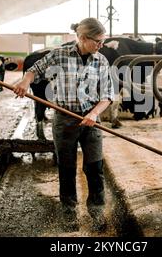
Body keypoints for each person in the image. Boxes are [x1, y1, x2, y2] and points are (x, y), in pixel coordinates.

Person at [13, 18, 114, 231]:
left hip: (91, 120)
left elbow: (107, 95)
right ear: (83, 38)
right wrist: (25, 81)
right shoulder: (59, 55)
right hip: (63, 119)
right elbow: (35, 69)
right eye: (98, 41)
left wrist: (95, 114)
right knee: (66, 168)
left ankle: (96, 211)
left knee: (95, 168)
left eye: (102, 41)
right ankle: (69, 213)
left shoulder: (101, 61)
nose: (101, 45)